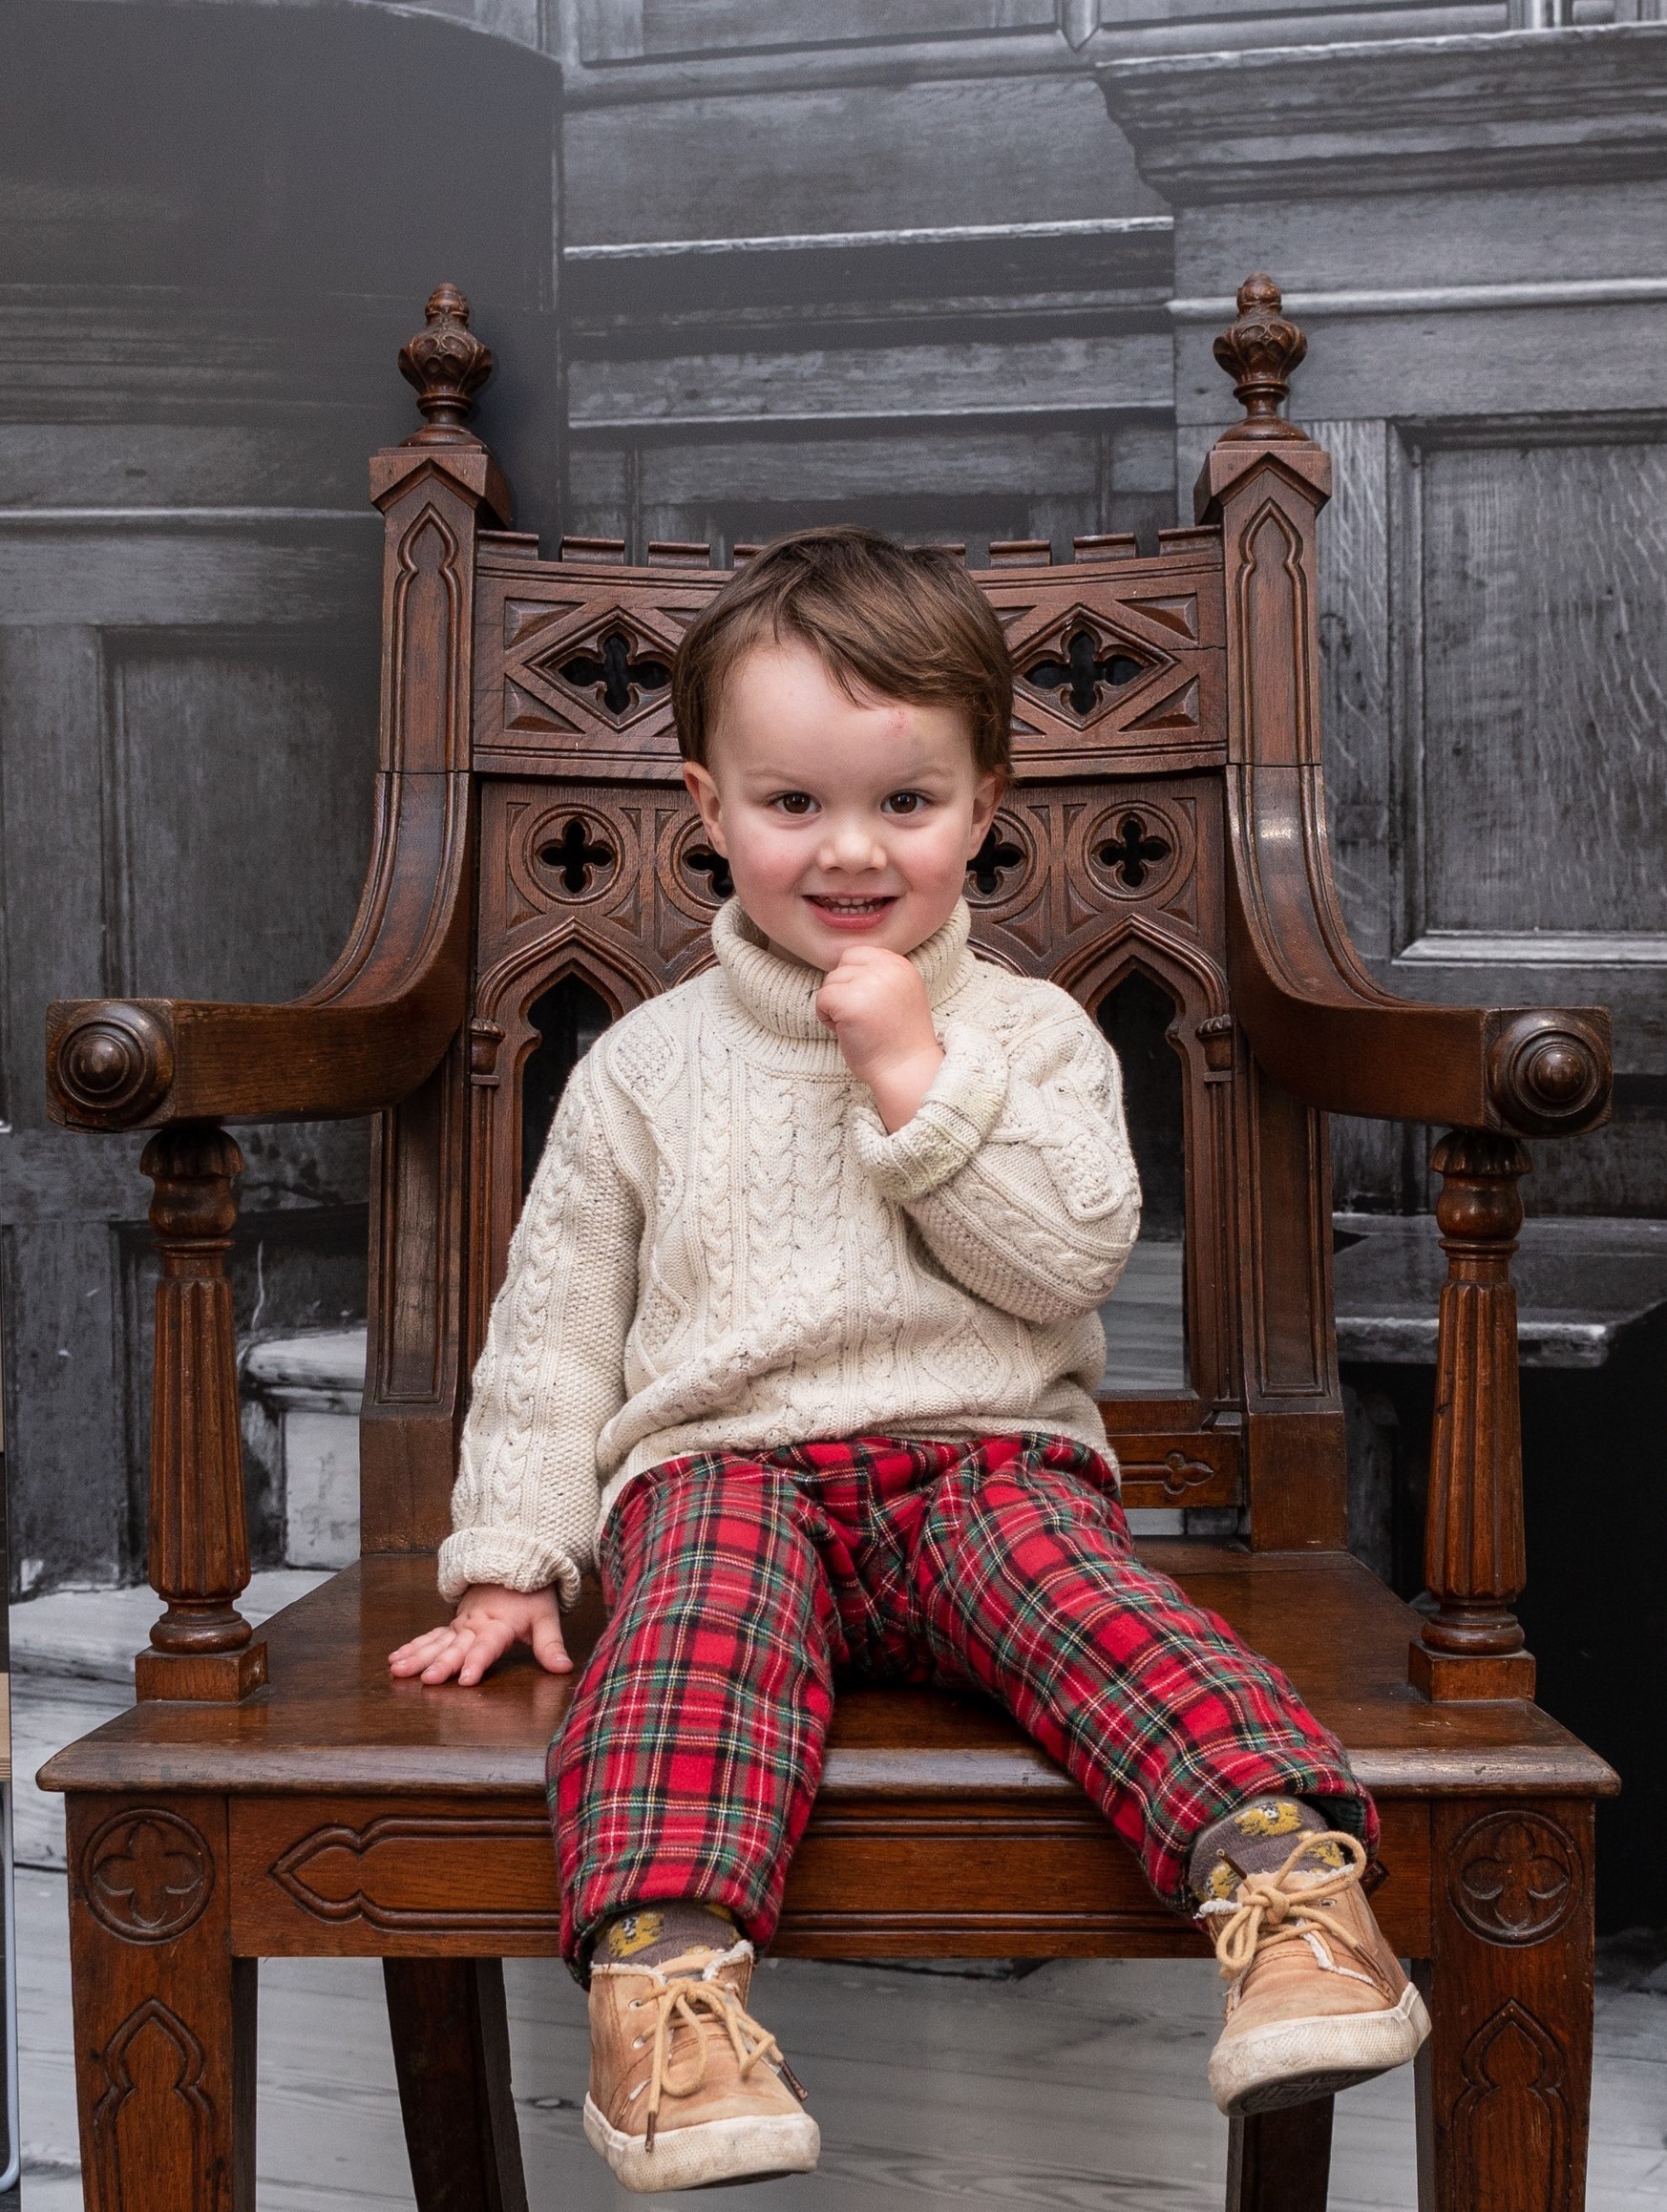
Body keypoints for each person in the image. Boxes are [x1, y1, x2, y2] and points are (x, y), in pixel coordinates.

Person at [389, 527, 1429, 2194]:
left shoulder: (1029, 1036)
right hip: (721, 1474)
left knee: (1091, 1607)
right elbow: (554, 1329)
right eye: (791, 803)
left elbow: (1061, 1259)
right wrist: (511, 1557)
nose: (848, 851)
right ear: (706, 808)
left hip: (984, 1458)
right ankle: (668, 1993)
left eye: (905, 802)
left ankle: (1291, 1898)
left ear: (987, 799)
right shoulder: (646, 1066)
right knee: (685, 1652)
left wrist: (910, 1078)